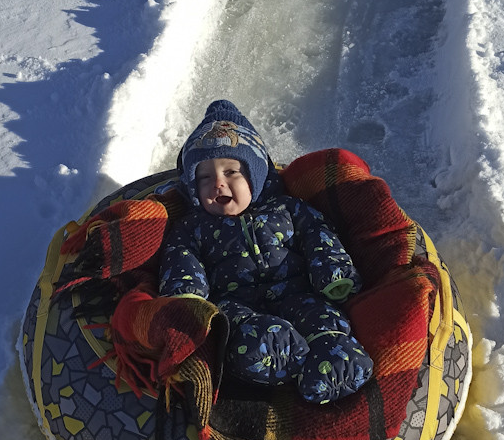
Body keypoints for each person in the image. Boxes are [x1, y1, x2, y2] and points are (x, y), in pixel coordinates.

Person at [158, 100, 373, 404]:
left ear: (256, 176)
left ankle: (333, 360)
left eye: (231, 171)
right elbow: (180, 256)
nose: (217, 183)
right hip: (238, 305)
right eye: (203, 177)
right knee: (240, 334)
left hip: (299, 294)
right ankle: (274, 362)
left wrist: (332, 272)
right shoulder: (193, 226)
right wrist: (186, 295)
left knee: (322, 319)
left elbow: (318, 234)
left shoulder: (287, 208)